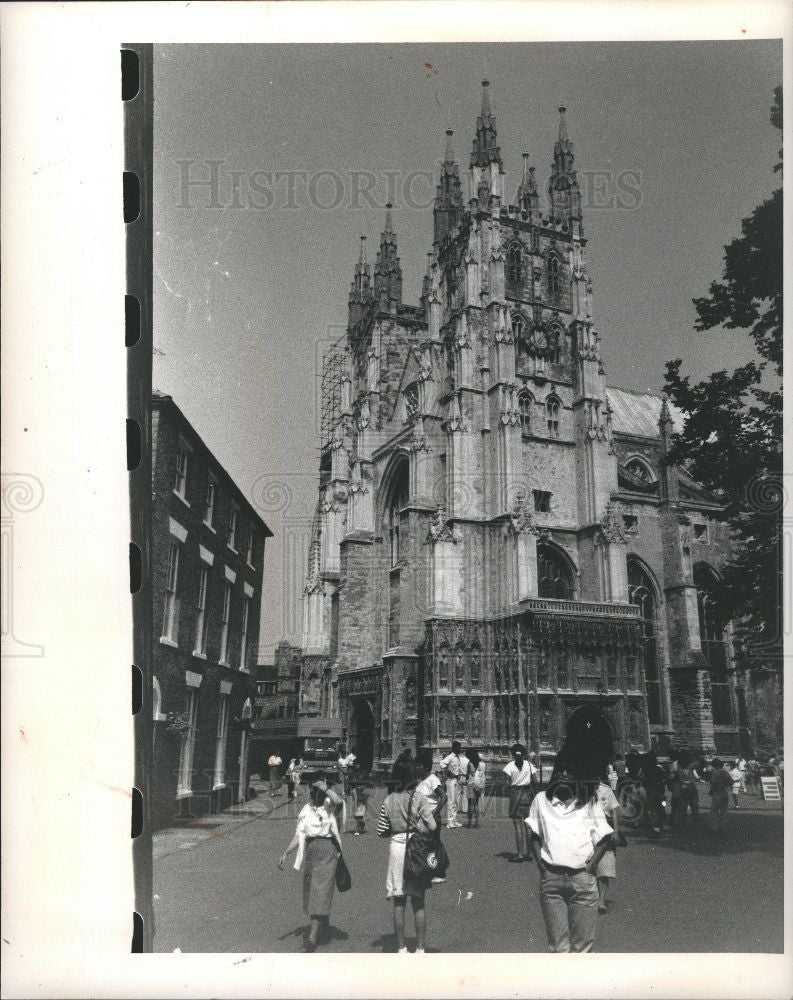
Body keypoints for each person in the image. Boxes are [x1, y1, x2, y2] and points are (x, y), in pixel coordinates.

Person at [527, 746, 614, 953]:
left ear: (578, 775)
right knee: (558, 947)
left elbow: (606, 837)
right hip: (552, 881)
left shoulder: (590, 801)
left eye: (570, 771)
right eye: (560, 770)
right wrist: (542, 866)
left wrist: (591, 865)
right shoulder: (541, 800)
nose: (564, 774)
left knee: (583, 947)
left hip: (582, 879)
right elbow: (533, 836)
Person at [377, 757, 437, 954]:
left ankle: (401, 948)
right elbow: (432, 826)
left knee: (399, 899)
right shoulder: (419, 798)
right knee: (418, 901)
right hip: (416, 849)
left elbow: (382, 831)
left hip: (396, 848)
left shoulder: (388, 799)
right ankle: (420, 948)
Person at [279, 780, 343, 952]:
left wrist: (326, 788)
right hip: (311, 851)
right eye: (311, 791)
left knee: (320, 891)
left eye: (314, 792)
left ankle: (312, 937)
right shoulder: (306, 809)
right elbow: (298, 834)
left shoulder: (329, 807)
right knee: (314, 890)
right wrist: (286, 852)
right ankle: (325, 928)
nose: (311, 794)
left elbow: (339, 802)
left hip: (327, 850)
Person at [503, 743, 538, 862]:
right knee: (528, 827)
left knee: (518, 827)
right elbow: (535, 780)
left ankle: (520, 854)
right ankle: (529, 853)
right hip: (527, 796)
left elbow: (507, 784)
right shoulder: (529, 765)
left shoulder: (509, 766)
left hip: (515, 795)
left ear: (513, 754)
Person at [416, 751, 448, 884]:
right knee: (425, 843)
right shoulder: (421, 780)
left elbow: (444, 797)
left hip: (432, 817)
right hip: (422, 818)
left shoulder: (433, 779)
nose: (416, 768)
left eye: (418, 765)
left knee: (434, 842)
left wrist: (434, 813)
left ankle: (440, 872)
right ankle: (428, 870)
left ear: (424, 766)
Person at [595, 769, 621, 915]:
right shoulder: (581, 791)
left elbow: (614, 811)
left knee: (605, 867)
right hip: (588, 833)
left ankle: (601, 900)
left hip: (605, 832)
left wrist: (616, 830)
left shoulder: (606, 790)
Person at [639, 751, 667, 836]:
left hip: (651, 793)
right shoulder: (659, 769)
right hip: (660, 793)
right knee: (661, 810)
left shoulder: (646, 770)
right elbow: (664, 779)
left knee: (653, 811)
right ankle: (660, 828)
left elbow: (643, 781)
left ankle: (655, 829)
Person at [669, 750, 700, 827]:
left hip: (682, 786)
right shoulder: (691, 765)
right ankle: (695, 821)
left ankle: (682, 821)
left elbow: (672, 777)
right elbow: (699, 763)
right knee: (694, 805)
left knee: (683, 805)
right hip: (691, 786)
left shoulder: (677, 765)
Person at [440, 741, 465, 828]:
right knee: (451, 800)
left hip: (456, 780)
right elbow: (442, 763)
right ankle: (449, 821)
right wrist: (448, 772)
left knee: (456, 801)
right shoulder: (450, 756)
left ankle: (454, 819)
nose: (459, 749)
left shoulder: (458, 757)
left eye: (460, 747)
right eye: (458, 747)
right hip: (450, 780)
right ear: (454, 748)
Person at [708, 758, 733, 833]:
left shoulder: (714, 772)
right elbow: (731, 782)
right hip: (724, 792)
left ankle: (714, 828)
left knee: (714, 811)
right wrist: (725, 785)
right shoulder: (725, 772)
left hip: (716, 792)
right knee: (724, 811)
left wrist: (711, 790)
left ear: (714, 765)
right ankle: (724, 828)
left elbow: (713, 782)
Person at [466, 749, 486, 828]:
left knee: (470, 804)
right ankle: (476, 823)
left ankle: (469, 823)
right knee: (476, 804)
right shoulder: (479, 764)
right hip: (478, 784)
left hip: (471, 783)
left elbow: (470, 773)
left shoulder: (470, 763)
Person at [352, 769, 372, 835]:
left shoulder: (364, 788)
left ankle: (357, 830)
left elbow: (367, 795)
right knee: (356, 816)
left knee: (359, 816)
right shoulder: (355, 788)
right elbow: (354, 796)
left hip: (361, 803)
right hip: (357, 803)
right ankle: (362, 823)